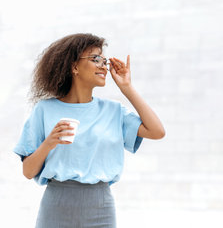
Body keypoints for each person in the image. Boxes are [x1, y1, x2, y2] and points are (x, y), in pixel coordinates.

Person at [13, 33, 165, 228]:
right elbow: (28, 171)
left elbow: (157, 131)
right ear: (74, 66)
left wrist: (127, 88)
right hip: (56, 206)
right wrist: (49, 142)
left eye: (104, 60)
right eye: (95, 59)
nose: (103, 66)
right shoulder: (44, 110)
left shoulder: (114, 111)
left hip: (100, 208)